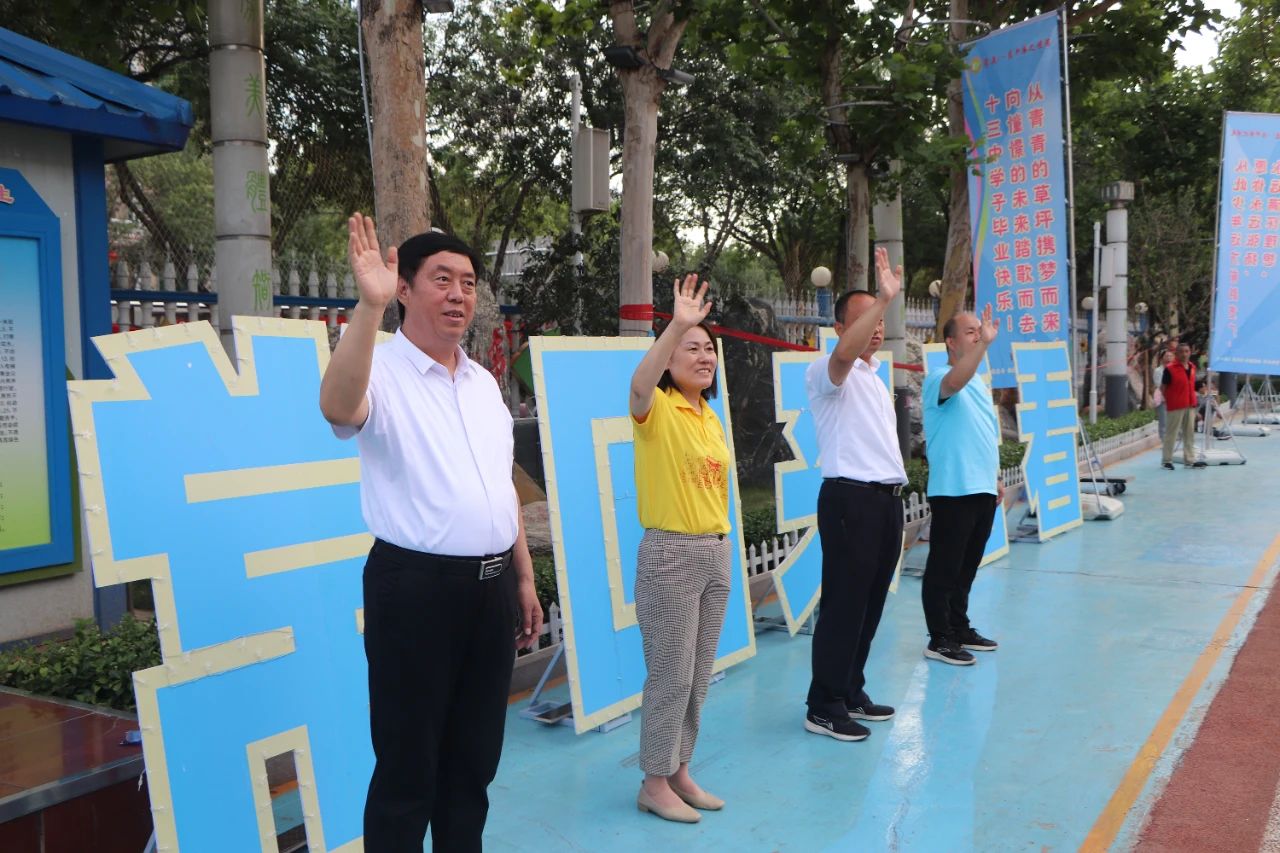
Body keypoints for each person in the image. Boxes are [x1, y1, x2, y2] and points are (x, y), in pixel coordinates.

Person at [319, 214, 544, 852]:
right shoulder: (380, 369)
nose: (458, 294)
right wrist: (368, 307)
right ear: (405, 289)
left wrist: (523, 577)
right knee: (407, 766)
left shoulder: (482, 385)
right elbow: (337, 408)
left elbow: (502, 487)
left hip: (491, 590)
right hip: (414, 589)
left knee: (474, 762)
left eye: (468, 283)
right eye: (441, 280)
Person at [628, 275, 732, 823]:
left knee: (697, 676)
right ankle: (653, 781)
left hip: (715, 552)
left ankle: (679, 769)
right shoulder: (658, 410)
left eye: (708, 349)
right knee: (670, 674)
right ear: (669, 360)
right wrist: (677, 325)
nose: (704, 356)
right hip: (671, 554)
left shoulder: (709, 416)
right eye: (692, 349)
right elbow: (639, 385)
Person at [803, 247, 905, 743]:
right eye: (866, 319)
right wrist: (883, 299)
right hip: (850, 501)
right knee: (844, 604)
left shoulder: (875, 378)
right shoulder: (827, 371)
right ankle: (823, 705)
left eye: (881, 319)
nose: (877, 327)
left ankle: (849, 688)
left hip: (885, 501)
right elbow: (844, 355)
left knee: (870, 603)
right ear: (840, 328)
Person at [919, 308, 1005, 667]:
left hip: (981, 488)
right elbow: (954, 383)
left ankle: (959, 626)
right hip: (953, 489)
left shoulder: (979, 385)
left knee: (967, 566)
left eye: (979, 330)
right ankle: (939, 637)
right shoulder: (939, 378)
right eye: (971, 331)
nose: (979, 334)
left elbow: (982, 433)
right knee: (945, 566)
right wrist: (984, 345)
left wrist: (994, 478)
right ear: (951, 342)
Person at [1161, 343, 1206, 470]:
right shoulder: (1170, 369)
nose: (1184, 354)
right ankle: (1166, 461)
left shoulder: (1192, 367)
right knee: (1172, 433)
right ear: (1177, 353)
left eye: (1187, 351)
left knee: (1189, 433)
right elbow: (1163, 387)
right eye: (1181, 351)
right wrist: (1170, 400)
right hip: (1175, 405)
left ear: (1190, 352)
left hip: (1190, 405)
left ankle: (1190, 460)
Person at [1153, 350, 1174, 438]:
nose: (1169, 358)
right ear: (1162, 358)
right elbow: (1159, 384)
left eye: (1170, 356)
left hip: (1174, 399)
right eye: (1166, 356)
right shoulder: (1158, 370)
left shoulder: (1175, 370)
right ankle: (1164, 440)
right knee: (1163, 421)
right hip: (1163, 399)